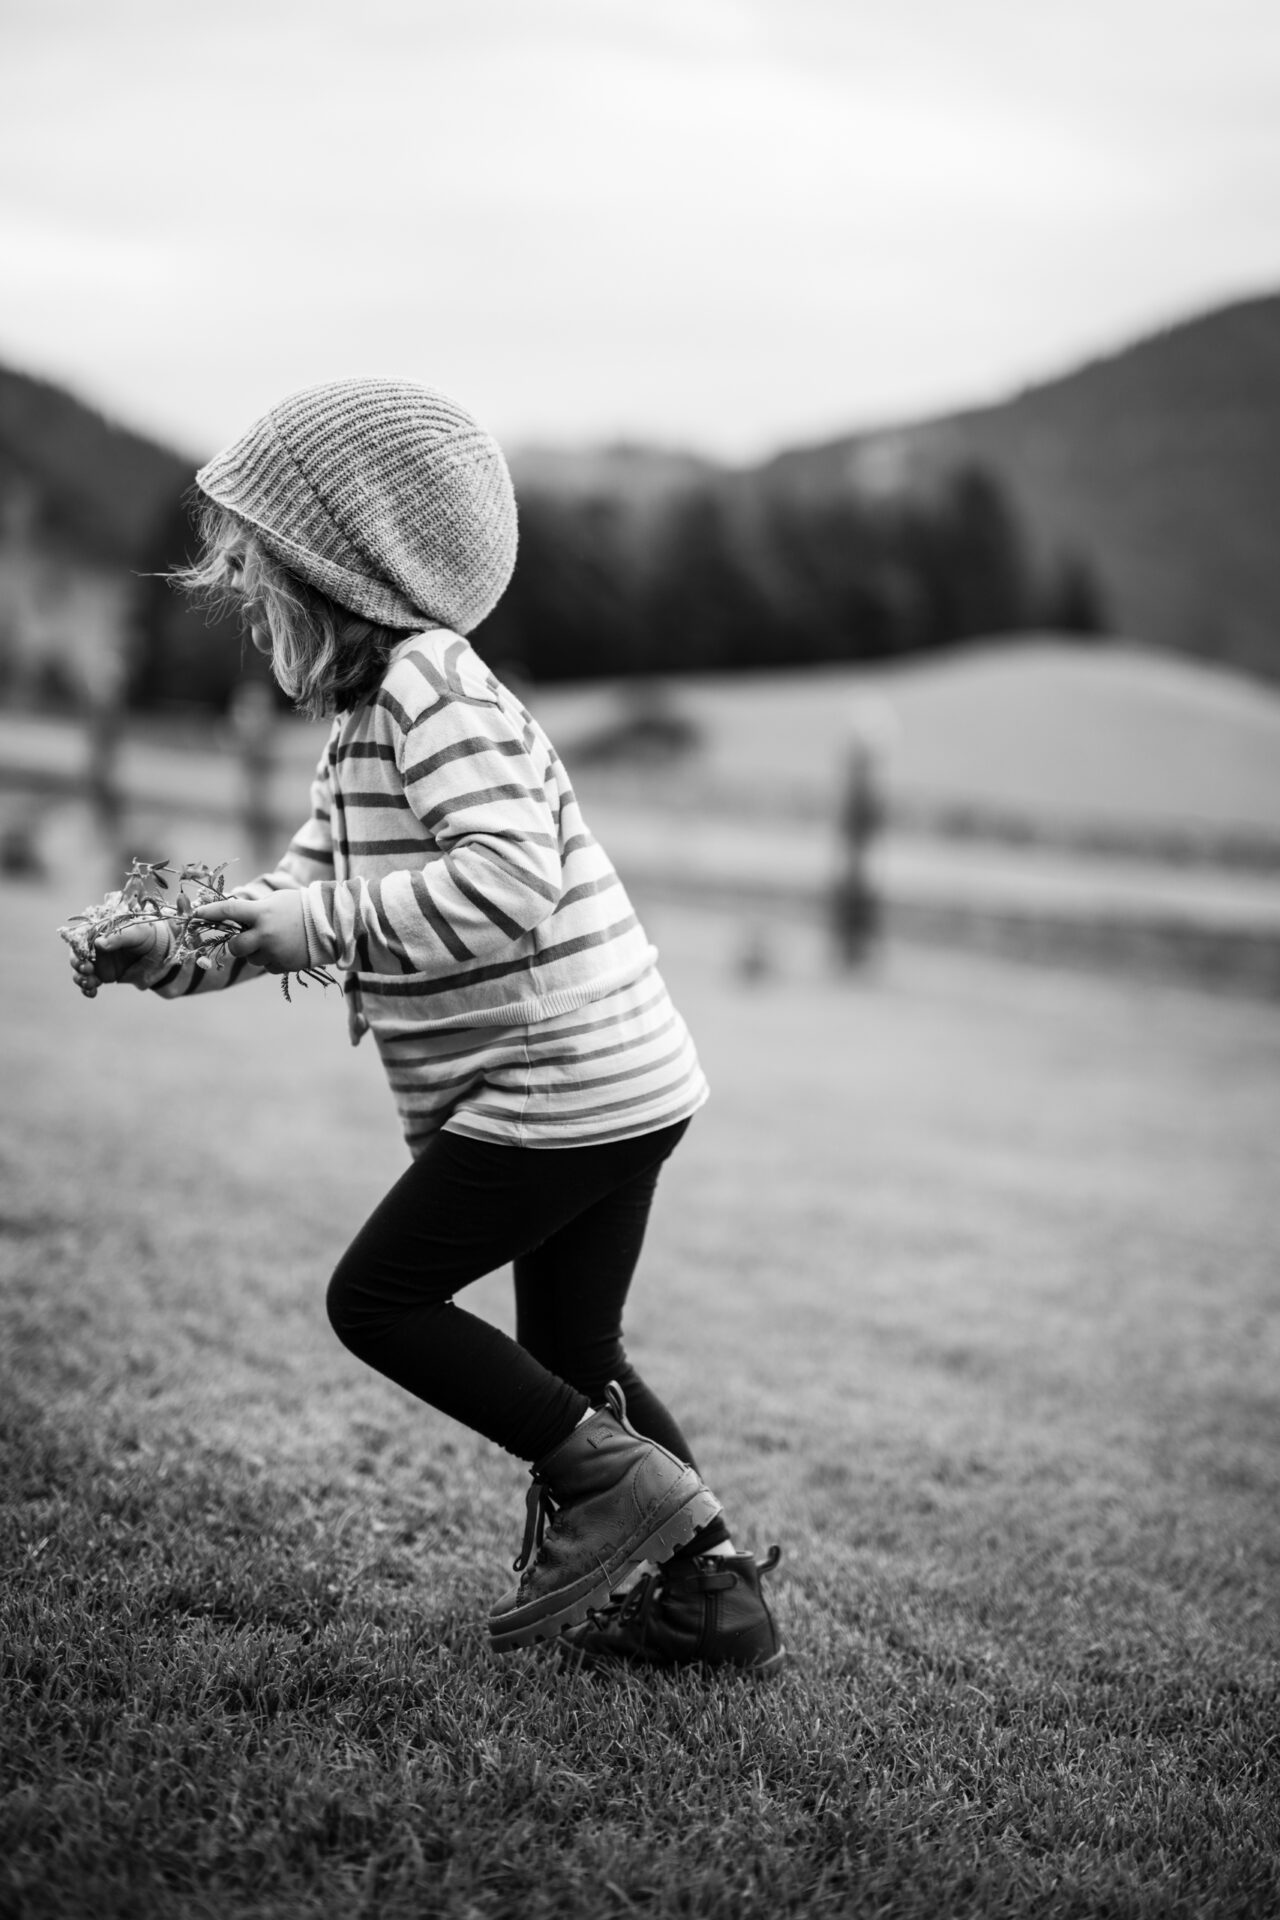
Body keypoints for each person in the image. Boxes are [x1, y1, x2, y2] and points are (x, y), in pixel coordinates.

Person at [68, 378, 784, 1676]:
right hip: (619, 1079)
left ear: (342, 572)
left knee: (380, 1297)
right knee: (571, 1350)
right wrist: (170, 949)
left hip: (559, 1082)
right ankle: (713, 1597)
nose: (241, 599)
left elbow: (507, 882)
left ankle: (618, 1493)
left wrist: (314, 925)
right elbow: (297, 899)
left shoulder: (431, 690)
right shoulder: (365, 730)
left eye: (257, 573)